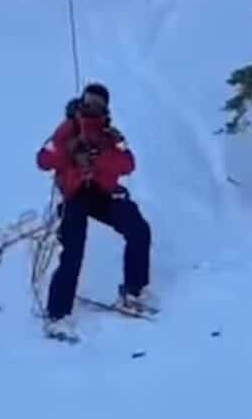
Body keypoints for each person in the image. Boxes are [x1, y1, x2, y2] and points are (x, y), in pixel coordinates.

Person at [37, 83, 154, 339]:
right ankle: (57, 314)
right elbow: (43, 160)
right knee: (73, 247)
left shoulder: (110, 135)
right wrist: (69, 150)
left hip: (102, 193)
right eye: (89, 100)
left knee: (138, 228)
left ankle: (133, 291)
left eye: (98, 102)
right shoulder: (67, 129)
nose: (92, 106)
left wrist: (99, 157)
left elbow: (128, 163)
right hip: (74, 194)